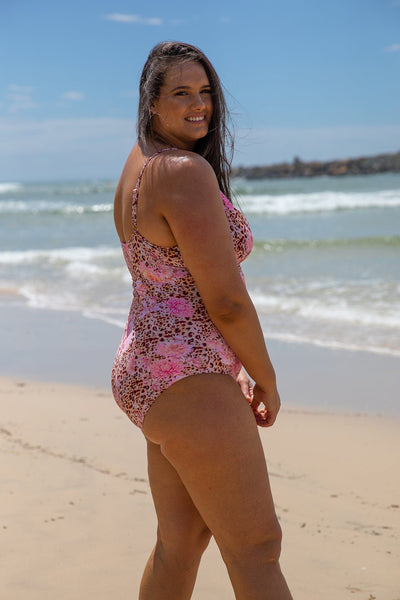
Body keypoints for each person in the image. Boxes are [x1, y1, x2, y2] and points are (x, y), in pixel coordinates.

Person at [111, 41, 293, 600]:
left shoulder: (140, 160)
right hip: (186, 375)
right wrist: (266, 376)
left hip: (147, 367)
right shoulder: (184, 171)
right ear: (152, 102)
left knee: (182, 540)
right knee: (256, 546)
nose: (200, 105)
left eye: (206, 91)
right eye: (182, 93)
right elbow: (227, 302)